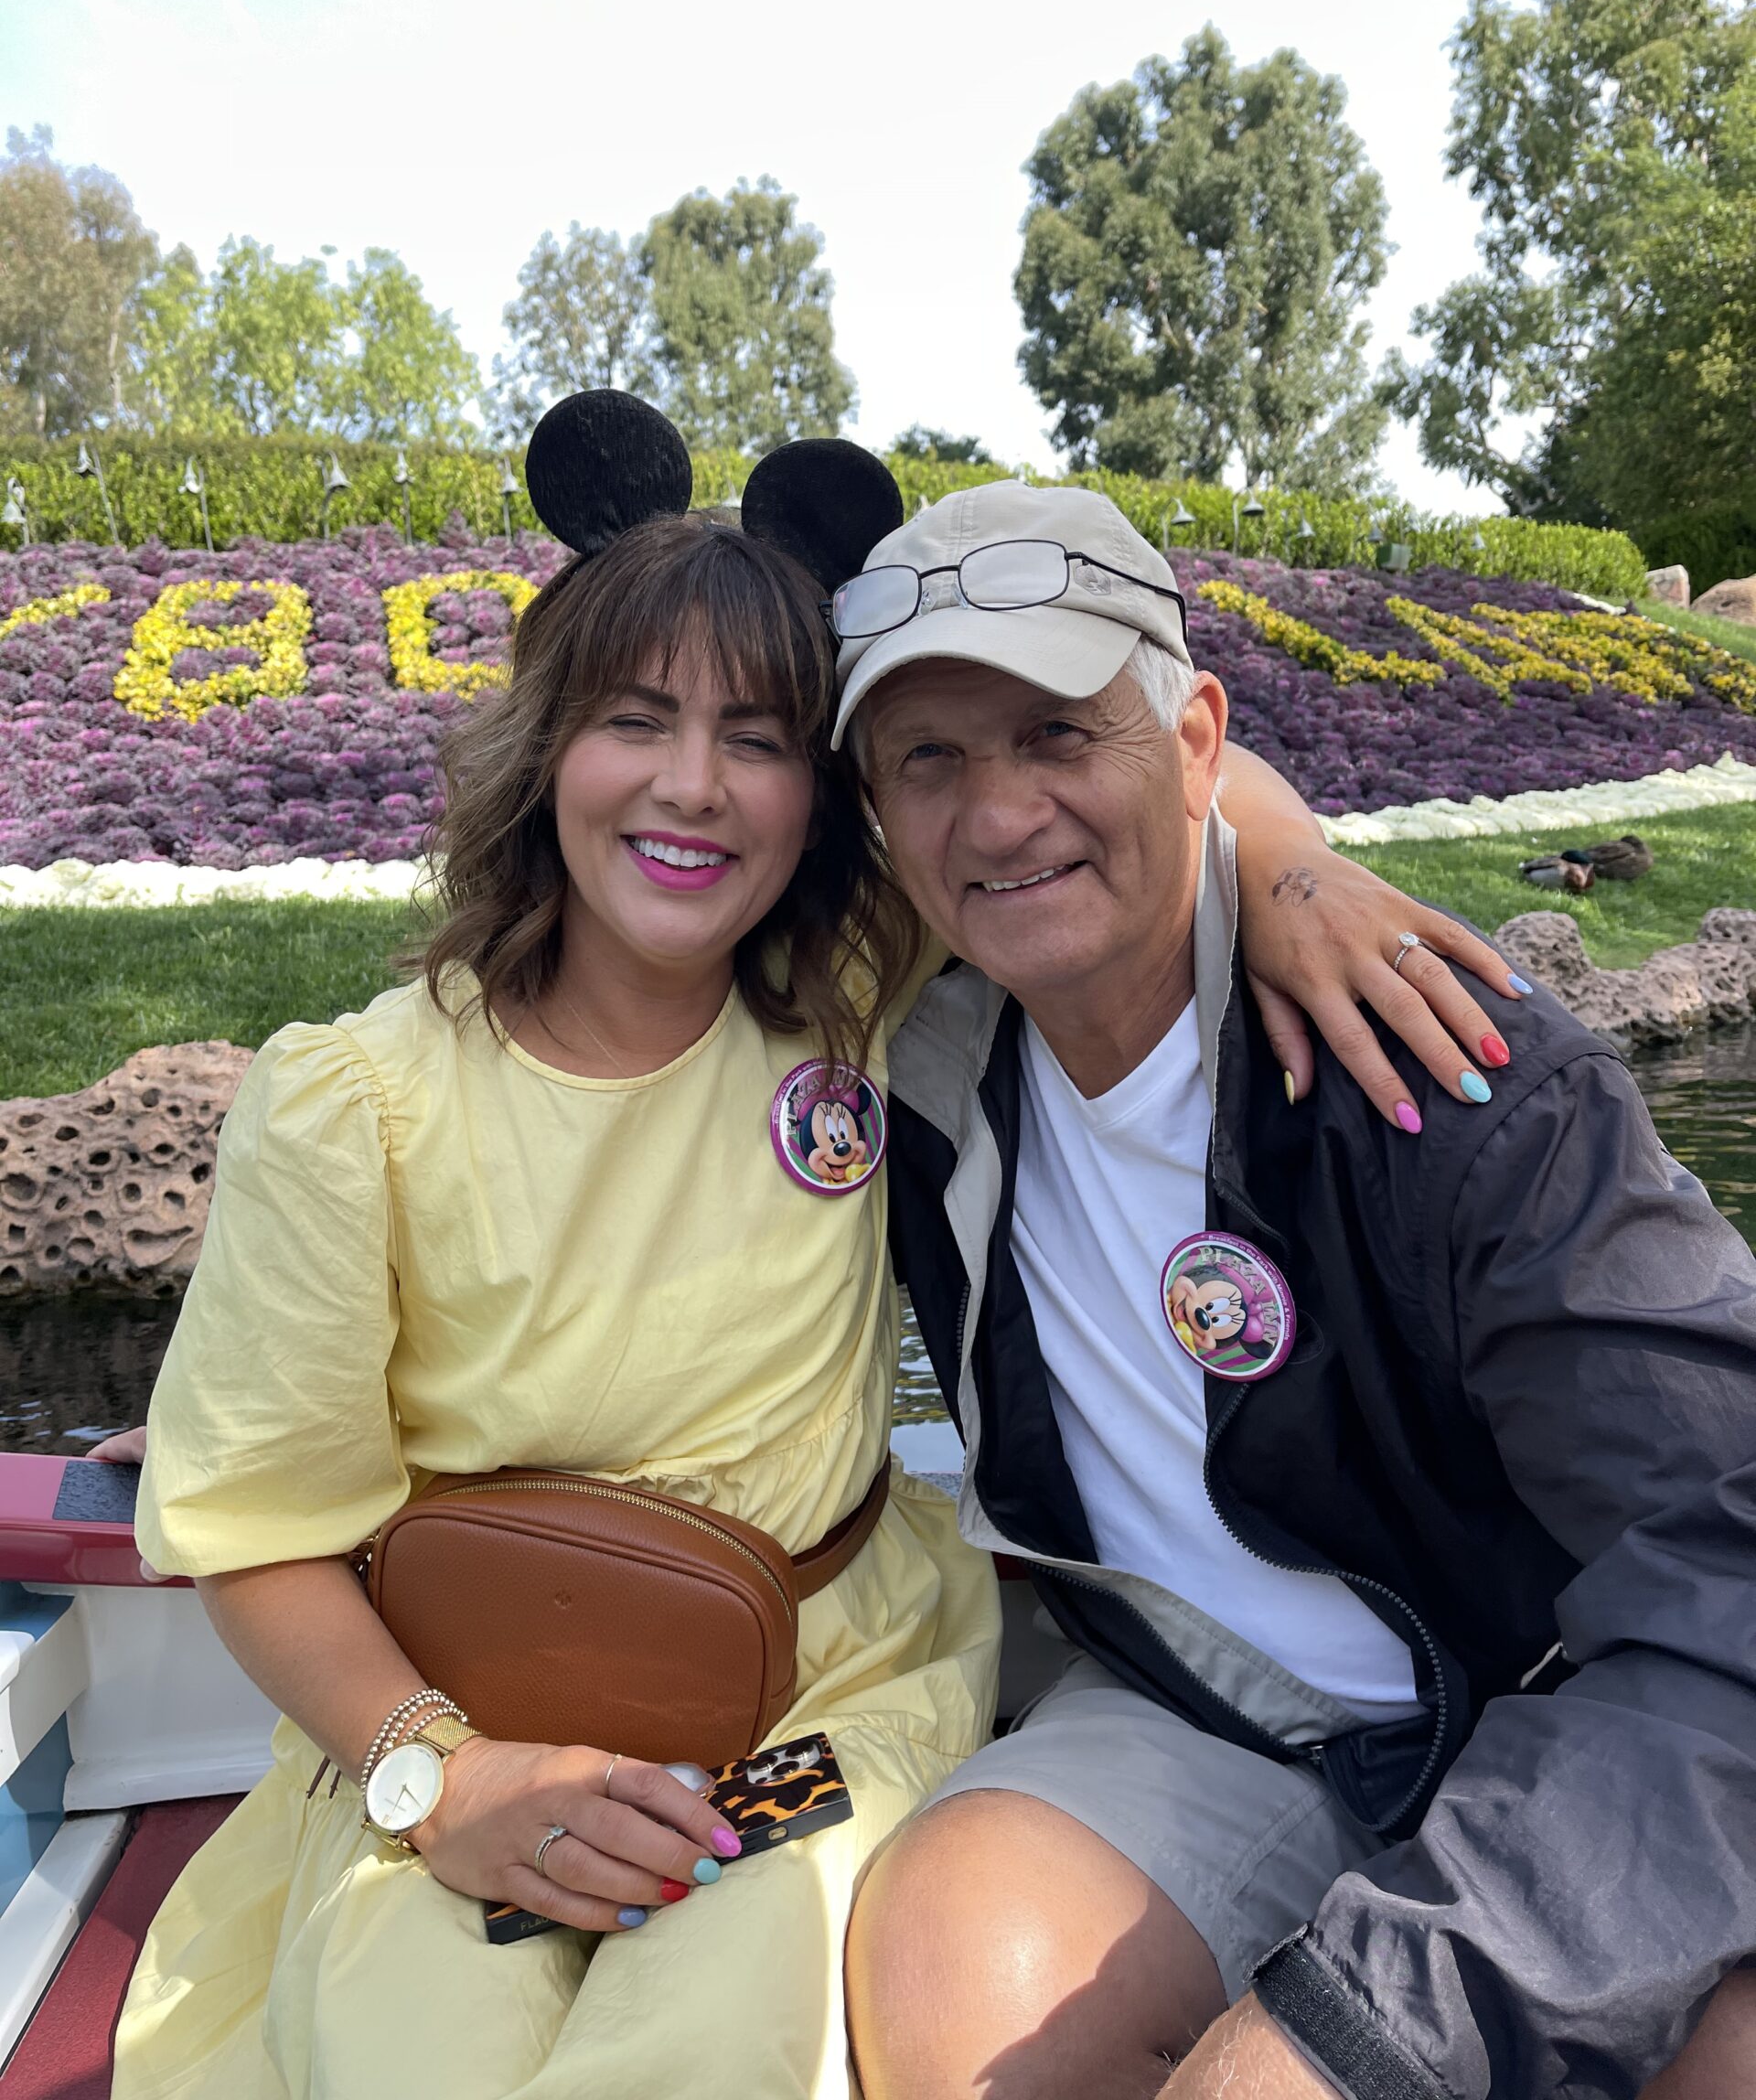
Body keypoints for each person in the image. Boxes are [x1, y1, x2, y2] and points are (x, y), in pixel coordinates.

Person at [108, 401, 1504, 2100]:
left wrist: (1286, 874)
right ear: (549, 747)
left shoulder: (850, 994)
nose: (692, 787)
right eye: (637, 721)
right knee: (417, 2055)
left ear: (819, 797)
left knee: (719, 2040)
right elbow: (259, 1528)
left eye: (760, 737)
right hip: (466, 1724)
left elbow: (1169, 763)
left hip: (808, 1715)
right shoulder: (354, 1106)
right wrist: (450, 1787)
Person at [838, 478, 1756, 2100]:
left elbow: (1726, 1577)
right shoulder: (915, 1069)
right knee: (950, 1957)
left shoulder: (1463, 1086)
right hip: (1225, 1725)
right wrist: (1282, 851)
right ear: (877, 817)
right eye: (930, 759)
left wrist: (1362, 2024)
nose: (995, 816)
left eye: (1060, 734)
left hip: (1556, 1720)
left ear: (1194, 742)